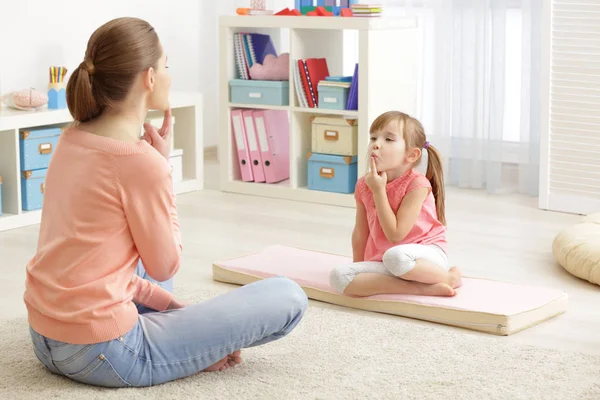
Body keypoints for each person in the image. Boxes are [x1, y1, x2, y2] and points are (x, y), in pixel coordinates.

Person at [23, 17, 307, 388]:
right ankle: (182, 342)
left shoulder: (71, 139)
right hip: (104, 352)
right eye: (166, 65)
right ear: (149, 79)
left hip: (44, 336)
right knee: (288, 296)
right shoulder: (141, 164)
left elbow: (96, 260)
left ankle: (180, 333)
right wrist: (163, 173)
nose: (170, 75)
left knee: (135, 251)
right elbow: (164, 265)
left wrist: (175, 310)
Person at [329, 111, 462, 297]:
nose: (376, 144)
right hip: (387, 260)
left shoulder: (417, 184)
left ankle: (449, 278)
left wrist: (378, 191)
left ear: (411, 155)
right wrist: (358, 267)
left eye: (388, 139)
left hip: (423, 256)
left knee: (396, 257)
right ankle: (422, 289)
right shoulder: (364, 185)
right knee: (338, 276)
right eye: (373, 137)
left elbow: (396, 235)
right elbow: (360, 232)